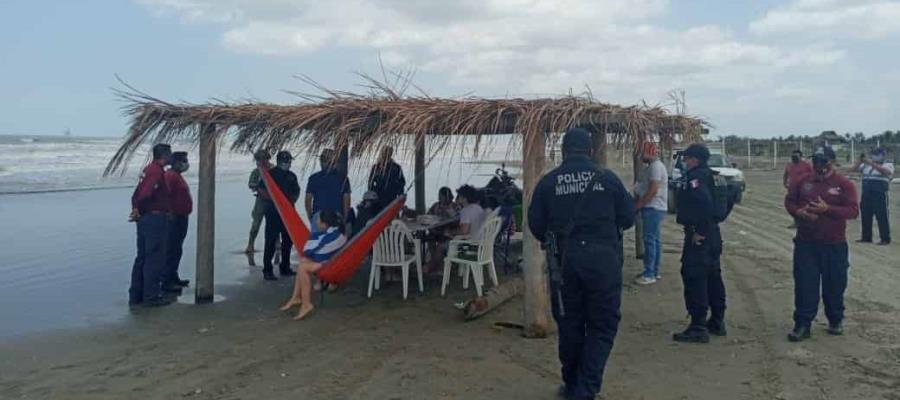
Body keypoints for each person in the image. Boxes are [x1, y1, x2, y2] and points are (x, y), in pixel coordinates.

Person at [528, 128, 635, 400]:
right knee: (602, 326)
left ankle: (573, 383)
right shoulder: (608, 179)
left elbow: (535, 225)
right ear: (590, 151)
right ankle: (584, 389)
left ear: (563, 151)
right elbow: (628, 218)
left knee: (570, 324)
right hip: (603, 261)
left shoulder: (549, 182)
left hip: (564, 263)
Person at [785, 146, 859, 341]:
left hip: (834, 244)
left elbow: (853, 211)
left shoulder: (844, 184)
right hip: (806, 243)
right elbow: (790, 201)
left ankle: (835, 320)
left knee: (834, 285)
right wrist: (798, 212)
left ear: (832, 162)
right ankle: (802, 324)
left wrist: (827, 209)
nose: (819, 166)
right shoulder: (802, 181)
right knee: (804, 284)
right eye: (815, 161)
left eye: (823, 161)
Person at [673, 143, 726, 343]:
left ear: (695, 159)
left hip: (700, 235)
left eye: (686, 158)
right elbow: (725, 203)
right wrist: (712, 224)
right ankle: (717, 320)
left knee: (695, 277)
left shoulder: (696, 179)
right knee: (713, 277)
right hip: (713, 233)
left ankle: (698, 326)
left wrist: (699, 231)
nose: (685, 162)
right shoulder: (716, 176)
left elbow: (703, 203)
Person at [279, 210, 347, 320]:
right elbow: (320, 249)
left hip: (330, 265)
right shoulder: (336, 232)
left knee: (303, 267)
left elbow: (319, 249)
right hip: (331, 261)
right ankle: (296, 297)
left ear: (325, 224)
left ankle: (306, 304)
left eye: (318, 220)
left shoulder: (333, 236)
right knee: (303, 261)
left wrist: (310, 253)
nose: (316, 223)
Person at [129, 143, 173, 307]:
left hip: (145, 218)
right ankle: (151, 297)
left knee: (142, 257)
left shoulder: (148, 169)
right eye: (169, 154)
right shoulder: (155, 171)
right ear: (164, 155)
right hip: (154, 219)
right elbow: (145, 193)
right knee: (154, 258)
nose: (171, 157)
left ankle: (136, 295)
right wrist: (139, 209)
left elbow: (136, 194)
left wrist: (136, 208)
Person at [262, 151, 301, 281]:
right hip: (273, 212)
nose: (289, 163)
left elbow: (296, 191)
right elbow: (261, 190)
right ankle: (267, 270)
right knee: (271, 241)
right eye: (288, 161)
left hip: (288, 213)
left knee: (288, 240)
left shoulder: (291, 176)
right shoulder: (270, 175)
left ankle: (285, 267)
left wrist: (289, 202)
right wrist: (275, 200)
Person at [633, 142, 668, 285]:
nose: (641, 156)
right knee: (655, 240)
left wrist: (639, 205)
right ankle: (654, 270)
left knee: (650, 240)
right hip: (654, 207)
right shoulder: (654, 167)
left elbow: (653, 190)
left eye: (642, 153)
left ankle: (649, 274)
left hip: (653, 207)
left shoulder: (655, 168)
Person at [163, 151, 192, 292]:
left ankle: (173, 277)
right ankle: (167, 281)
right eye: (184, 161)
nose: (186, 163)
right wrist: (169, 213)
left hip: (181, 217)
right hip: (174, 218)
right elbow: (165, 196)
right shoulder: (170, 176)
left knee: (177, 249)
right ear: (176, 162)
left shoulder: (177, 176)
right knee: (171, 249)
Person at [305, 148, 351, 233]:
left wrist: (311, 217)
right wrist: (344, 218)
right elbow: (346, 201)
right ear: (334, 162)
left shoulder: (313, 178)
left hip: (319, 217)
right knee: (335, 245)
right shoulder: (343, 179)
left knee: (318, 244)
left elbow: (308, 201)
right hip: (336, 217)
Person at [854, 147, 893, 245]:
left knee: (882, 216)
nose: (877, 156)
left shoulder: (888, 165)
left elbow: (886, 172)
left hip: (879, 194)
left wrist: (870, 163)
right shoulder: (865, 166)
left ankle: (885, 238)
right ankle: (866, 237)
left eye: (879, 154)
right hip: (867, 193)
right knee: (865, 215)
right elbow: (854, 169)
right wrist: (860, 160)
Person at [246, 150, 273, 253]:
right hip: (261, 200)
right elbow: (250, 184)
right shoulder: (256, 172)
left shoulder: (274, 170)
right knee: (256, 223)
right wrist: (257, 185)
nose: (260, 162)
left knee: (274, 223)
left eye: (262, 160)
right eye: (258, 160)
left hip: (273, 201)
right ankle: (250, 244)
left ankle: (277, 243)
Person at [368, 146, 406, 211]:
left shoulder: (396, 167)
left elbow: (402, 183)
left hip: (392, 197)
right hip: (379, 198)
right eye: (385, 153)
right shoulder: (376, 167)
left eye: (388, 153)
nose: (386, 154)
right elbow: (370, 184)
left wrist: (399, 195)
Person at [784, 150, 813, 229]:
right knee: (793, 206)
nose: (794, 157)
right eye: (793, 156)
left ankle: (806, 222)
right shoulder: (789, 165)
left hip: (803, 188)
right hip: (792, 188)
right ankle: (796, 222)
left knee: (804, 205)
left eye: (796, 156)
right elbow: (786, 174)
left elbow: (812, 174)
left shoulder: (806, 165)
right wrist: (785, 183)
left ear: (800, 157)